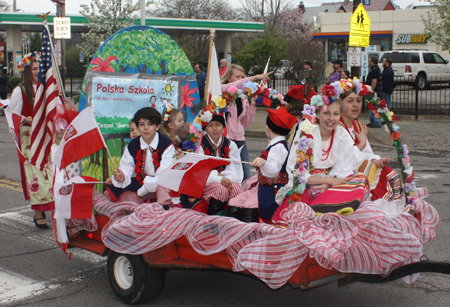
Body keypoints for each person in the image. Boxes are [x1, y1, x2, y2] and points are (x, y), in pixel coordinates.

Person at [273, 98, 369, 223]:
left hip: (331, 187)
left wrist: (329, 185)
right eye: (326, 113)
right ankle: (318, 210)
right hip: (307, 187)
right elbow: (300, 175)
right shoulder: (306, 131)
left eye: (335, 114)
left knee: (361, 178)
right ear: (317, 114)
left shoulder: (342, 134)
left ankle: (328, 208)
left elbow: (342, 171)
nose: (331, 118)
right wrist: (328, 181)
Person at [7, 52, 55, 229]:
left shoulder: (46, 88)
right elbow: (11, 116)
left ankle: (53, 209)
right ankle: (37, 213)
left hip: (46, 138)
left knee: (50, 174)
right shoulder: (20, 91)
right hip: (29, 139)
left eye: (39, 68)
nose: (37, 71)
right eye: (34, 69)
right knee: (35, 177)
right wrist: (24, 119)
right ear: (27, 71)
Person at [227, 107, 297, 222]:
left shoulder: (278, 147)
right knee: (235, 202)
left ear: (268, 127)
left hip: (271, 190)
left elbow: (273, 171)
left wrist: (264, 163)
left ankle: (249, 235)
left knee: (248, 205)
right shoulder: (276, 144)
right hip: (263, 187)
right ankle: (235, 233)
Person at [339, 79, 402, 201]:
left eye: (358, 101)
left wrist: (376, 160)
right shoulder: (337, 128)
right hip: (344, 172)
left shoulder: (357, 126)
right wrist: (361, 143)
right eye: (350, 101)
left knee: (390, 174)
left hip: (358, 167)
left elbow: (367, 153)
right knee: (383, 177)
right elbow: (346, 159)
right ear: (340, 104)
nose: (355, 105)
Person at [107, 107, 175, 204]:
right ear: (138, 127)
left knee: (164, 185)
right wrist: (122, 175)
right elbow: (127, 166)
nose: (146, 128)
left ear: (157, 126)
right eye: (142, 124)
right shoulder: (133, 145)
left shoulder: (166, 144)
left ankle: (162, 213)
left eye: (150, 124)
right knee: (114, 192)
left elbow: (163, 174)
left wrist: (141, 192)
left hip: (160, 184)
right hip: (141, 182)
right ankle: (133, 215)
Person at [220, 64, 272, 181]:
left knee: (246, 174)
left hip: (240, 139)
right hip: (226, 138)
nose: (240, 80)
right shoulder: (223, 91)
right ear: (229, 78)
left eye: (242, 77)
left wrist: (252, 106)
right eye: (237, 76)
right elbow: (232, 86)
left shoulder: (243, 96)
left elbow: (245, 122)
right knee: (228, 173)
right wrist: (255, 78)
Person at [197, 112, 244, 215]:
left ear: (223, 127)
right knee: (220, 190)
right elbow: (201, 170)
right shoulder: (200, 145)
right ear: (205, 128)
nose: (214, 129)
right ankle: (213, 221)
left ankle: (232, 222)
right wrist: (219, 180)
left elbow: (235, 167)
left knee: (237, 190)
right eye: (210, 125)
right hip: (207, 181)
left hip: (226, 179)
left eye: (218, 125)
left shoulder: (230, 144)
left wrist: (228, 179)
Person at [365, 56, 382, 128]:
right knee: (371, 106)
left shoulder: (374, 70)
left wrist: (371, 90)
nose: (368, 62)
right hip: (376, 91)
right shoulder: (375, 69)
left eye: (369, 60)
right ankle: (372, 121)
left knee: (374, 107)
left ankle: (377, 122)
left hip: (375, 91)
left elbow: (374, 81)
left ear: (372, 61)